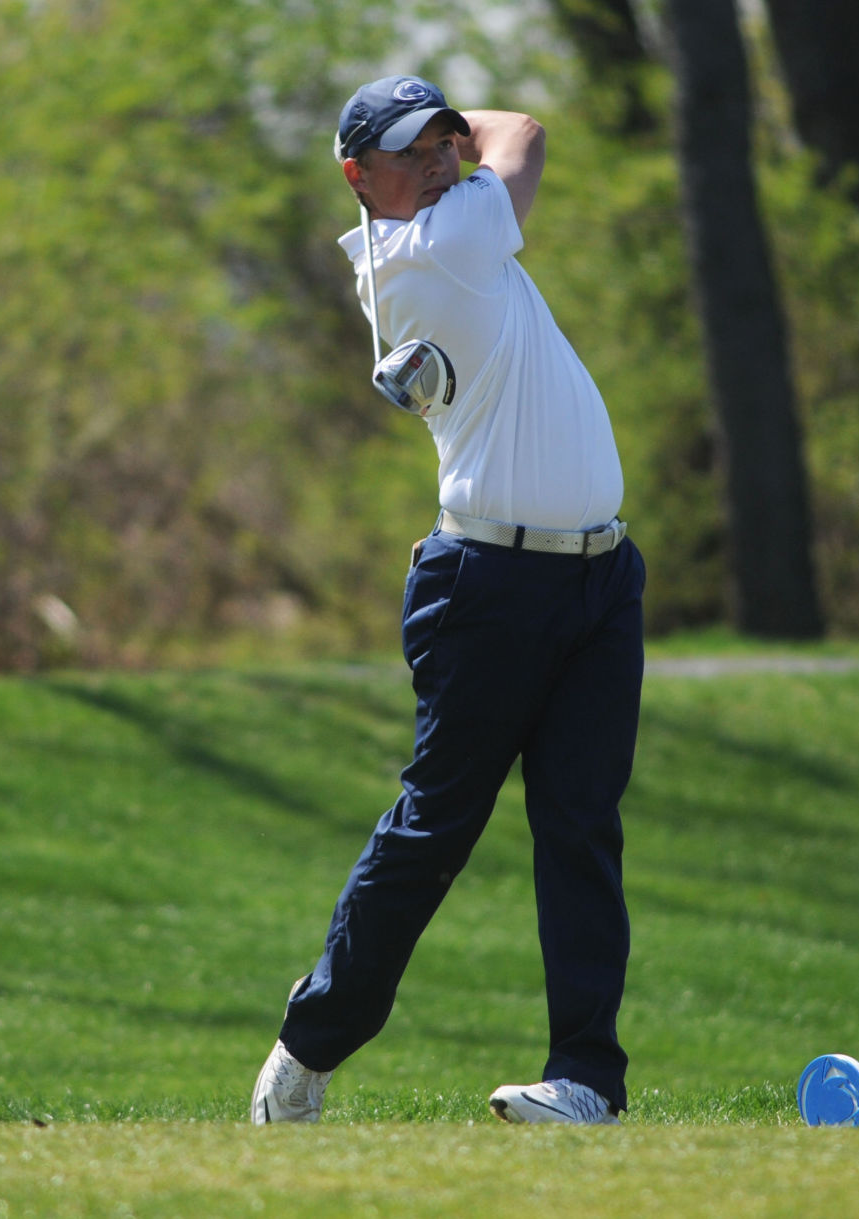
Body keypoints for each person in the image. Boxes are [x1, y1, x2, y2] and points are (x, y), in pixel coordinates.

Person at [249, 74, 646, 1127]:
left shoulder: (441, 231)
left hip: (599, 576)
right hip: (490, 587)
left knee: (579, 828)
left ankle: (587, 1083)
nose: (440, 158)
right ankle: (307, 1047)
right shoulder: (447, 243)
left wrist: (441, 125)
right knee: (436, 828)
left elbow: (502, 147)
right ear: (356, 174)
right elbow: (527, 130)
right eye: (412, 147)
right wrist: (476, 118)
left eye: (443, 140)